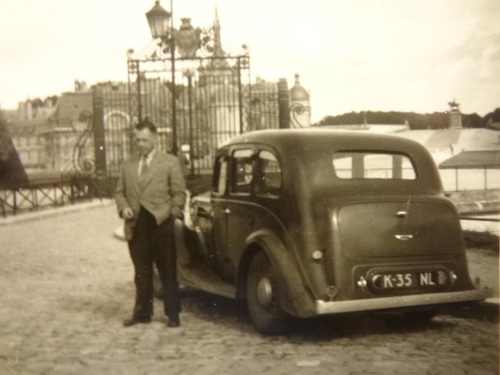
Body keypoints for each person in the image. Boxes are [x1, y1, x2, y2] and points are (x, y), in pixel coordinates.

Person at [115, 119, 186, 328]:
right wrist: (123, 207)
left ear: (155, 138)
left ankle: (173, 314)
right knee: (141, 272)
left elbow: (179, 193)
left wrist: (171, 214)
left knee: (167, 271)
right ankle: (142, 313)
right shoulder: (128, 164)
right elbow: (119, 192)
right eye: (137, 140)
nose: (140, 144)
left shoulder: (169, 162)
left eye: (145, 140)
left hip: (161, 224)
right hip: (136, 225)